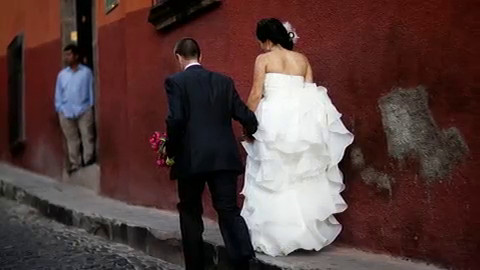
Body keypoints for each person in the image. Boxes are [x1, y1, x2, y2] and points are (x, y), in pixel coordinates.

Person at [241, 18, 354, 257]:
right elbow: (311, 92)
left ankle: (275, 236)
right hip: (302, 123)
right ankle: (304, 235)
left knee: (274, 176)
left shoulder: (263, 59)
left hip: (272, 121)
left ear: (267, 39)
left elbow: (256, 92)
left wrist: (247, 121)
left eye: (260, 40)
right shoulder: (302, 60)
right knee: (300, 176)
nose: (260, 45)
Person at [164, 38, 257, 270]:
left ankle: (195, 266)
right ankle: (245, 261)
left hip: (191, 157)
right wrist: (251, 131)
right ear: (200, 55)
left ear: (178, 57)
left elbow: (176, 119)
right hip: (223, 156)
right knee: (228, 209)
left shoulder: (176, 82)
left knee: (190, 211)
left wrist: (171, 150)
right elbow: (244, 114)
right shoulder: (224, 82)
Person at [55, 44, 95, 174]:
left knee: (87, 135)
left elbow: (91, 90)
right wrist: (59, 108)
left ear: (76, 56)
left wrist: (90, 106)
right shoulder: (62, 75)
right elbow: (58, 93)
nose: (67, 57)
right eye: (65, 55)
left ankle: (88, 159)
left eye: (69, 54)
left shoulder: (86, 73)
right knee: (72, 139)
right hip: (66, 111)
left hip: (84, 109)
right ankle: (75, 163)